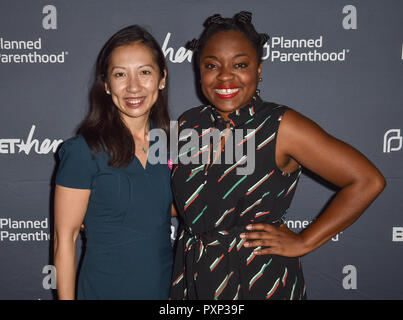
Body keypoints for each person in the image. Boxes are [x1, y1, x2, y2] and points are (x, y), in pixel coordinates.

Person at [169, 11, 386, 300]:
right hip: (195, 275)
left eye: (240, 64)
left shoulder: (281, 125)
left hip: (259, 277)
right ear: (199, 70)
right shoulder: (188, 123)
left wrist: (304, 241)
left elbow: (367, 180)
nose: (224, 76)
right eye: (212, 65)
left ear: (258, 69)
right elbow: (182, 203)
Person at [53, 25, 173, 299]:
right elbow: (65, 240)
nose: (133, 87)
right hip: (104, 290)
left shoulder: (172, 145)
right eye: (120, 74)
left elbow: (162, 206)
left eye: (145, 72)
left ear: (161, 78)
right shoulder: (84, 150)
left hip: (165, 290)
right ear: (106, 85)